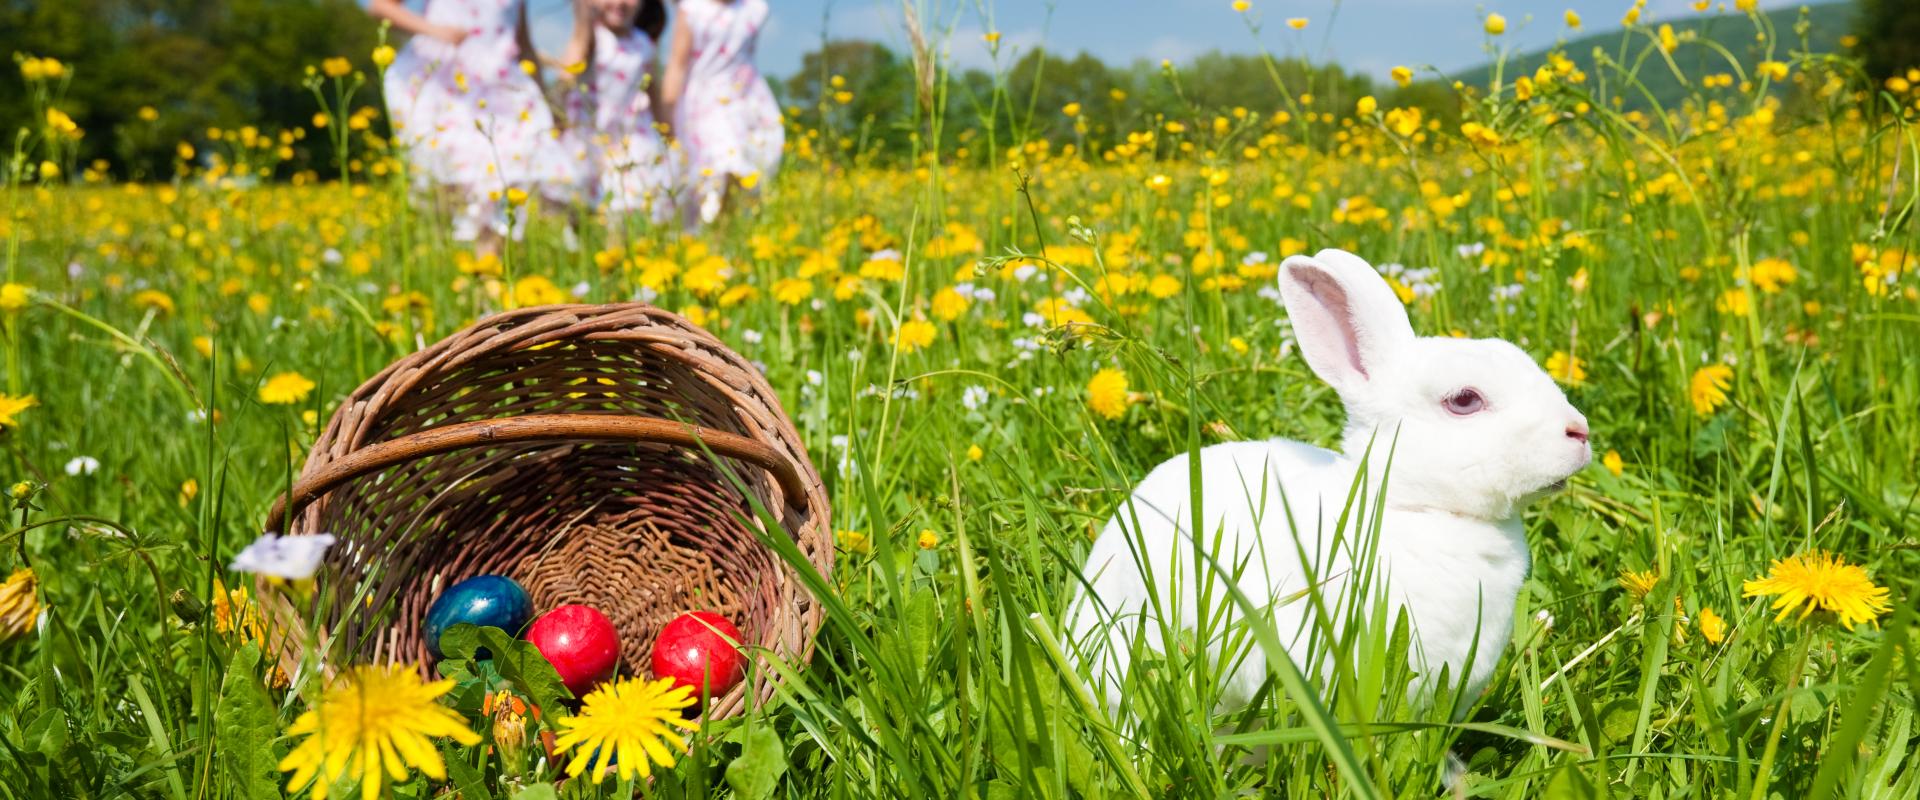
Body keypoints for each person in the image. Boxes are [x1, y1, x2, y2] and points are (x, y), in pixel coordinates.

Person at [370, 0, 582, 254]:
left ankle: (491, 266)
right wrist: (436, 31)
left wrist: (547, 104)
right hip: (448, 86)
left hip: (502, 89)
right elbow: (381, 7)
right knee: (453, 185)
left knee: (507, 172)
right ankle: (450, 264)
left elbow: (523, 45)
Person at [558, 0, 682, 235]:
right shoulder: (589, 38)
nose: (619, 3)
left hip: (631, 139)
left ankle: (619, 258)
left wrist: (670, 136)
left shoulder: (644, 44)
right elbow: (565, 80)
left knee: (627, 207)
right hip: (589, 141)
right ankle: (585, 259)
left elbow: (654, 93)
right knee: (583, 215)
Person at [659, 0, 783, 228]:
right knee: (723, 167)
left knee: (745, 176)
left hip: (748, 100)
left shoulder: (755, 8)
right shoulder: (692, 9)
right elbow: (677, 64)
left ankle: (728, 234)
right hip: (706, 104)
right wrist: (666, 115)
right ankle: (710, 233)